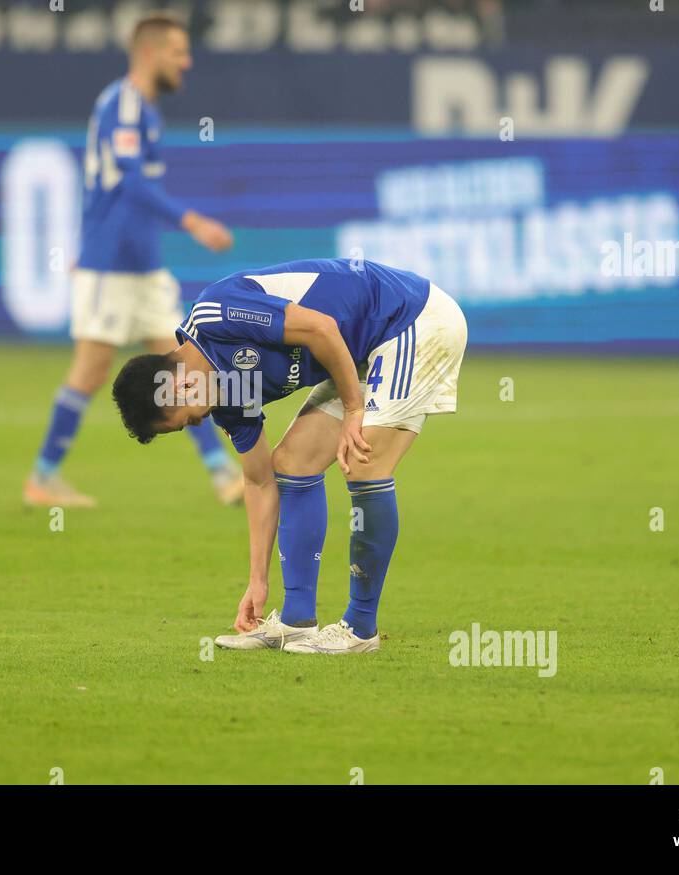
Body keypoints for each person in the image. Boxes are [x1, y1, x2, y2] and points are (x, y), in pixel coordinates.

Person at [111, 258, 468, 654]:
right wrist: (257, 581)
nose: (195, 426)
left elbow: (321, 327)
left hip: (411, 320)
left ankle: (360, 628)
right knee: (292, 463)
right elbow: (259, 480)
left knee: (365, 462)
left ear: (173, 388)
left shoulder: (217, 315)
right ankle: (298, 620)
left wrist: (354, 410)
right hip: (361, 351)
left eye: (181, 422)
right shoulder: (225, 396)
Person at [24, 11, 241, 508]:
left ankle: (223, 475)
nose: (186, 63)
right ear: (149, 52)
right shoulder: (121, 103)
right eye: (178, 52)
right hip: (110, 266)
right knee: (92, 371)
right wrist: (192, 222)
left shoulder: (143, 109)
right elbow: (129, 180)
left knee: (182, 366)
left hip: (142, 266)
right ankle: (41, 478)